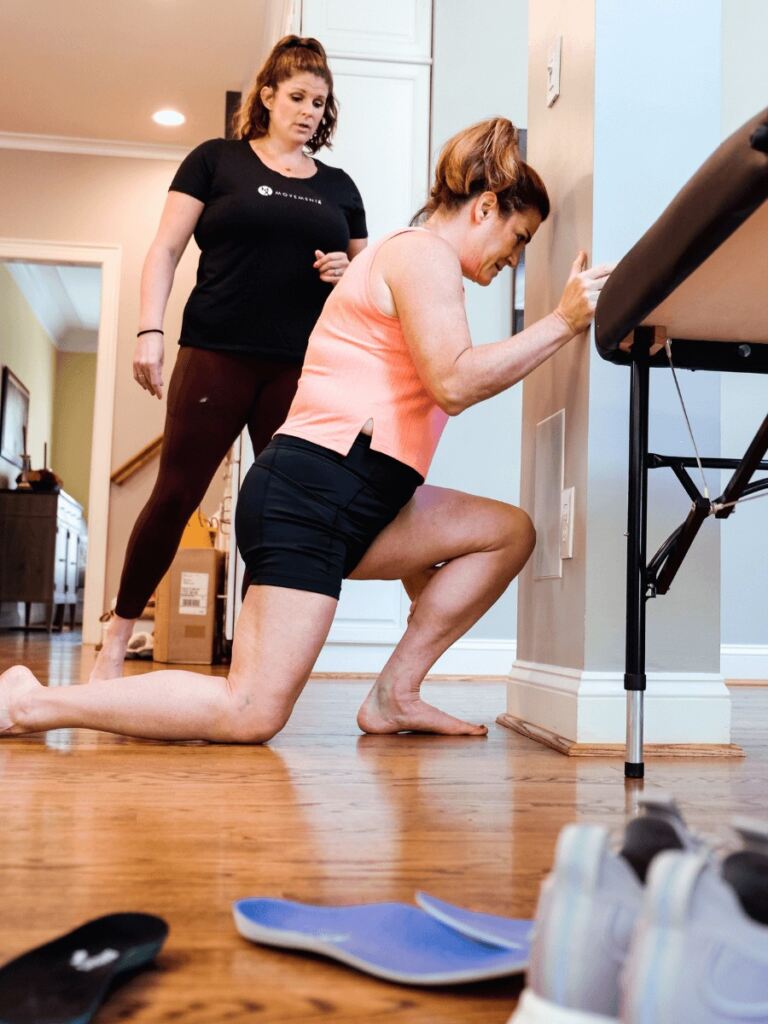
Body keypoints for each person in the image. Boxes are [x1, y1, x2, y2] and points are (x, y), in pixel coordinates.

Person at [2, 117, 610, 743]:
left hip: (359, 499)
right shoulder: (421, 254)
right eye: (519, 237)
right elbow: (453, 383)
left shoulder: (410, 258)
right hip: (311, 497)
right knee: (250, 711)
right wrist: (563, 321)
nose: (515, 257)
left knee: (506, 532)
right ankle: (34, 703)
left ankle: (395, 694)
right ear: (485, 207)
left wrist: (425, 578)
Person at [91, 34, 368, 680]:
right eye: (297, 96)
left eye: (319, 102)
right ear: (267, 95)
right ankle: (114, 643)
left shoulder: (340, 187)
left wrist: (343, 271)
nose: (308, 111)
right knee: (175, 493)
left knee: (280, 512)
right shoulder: (215, 161)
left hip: (300, 368)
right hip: (216, 351)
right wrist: (148, 331)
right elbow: (164, 250)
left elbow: (368, 284)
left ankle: (256, 656)